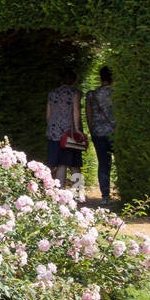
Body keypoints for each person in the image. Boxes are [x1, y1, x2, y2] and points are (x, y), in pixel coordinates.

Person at [46, 70, 83, 188]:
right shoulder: (75, 93)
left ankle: (59, 194)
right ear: (74, 80)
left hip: (54, 132)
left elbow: (48, 114)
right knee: (74, 164)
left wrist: (52, 126)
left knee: (61, 164)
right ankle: (77, 193)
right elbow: (76, 110)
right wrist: (77, 129)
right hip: (70, 132)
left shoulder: (52, 93)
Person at [86, 66, 116, 205]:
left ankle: (105, 195)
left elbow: (89, 116)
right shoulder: (117, 93)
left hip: (98, 133)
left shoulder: (91, 95)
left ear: (100, 77)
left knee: (103, 164)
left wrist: (91, 131)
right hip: (115, 132)